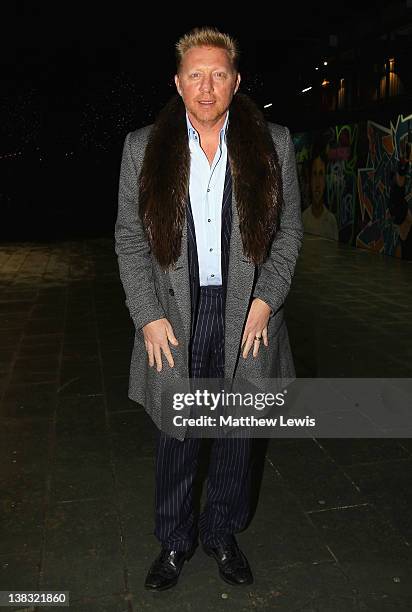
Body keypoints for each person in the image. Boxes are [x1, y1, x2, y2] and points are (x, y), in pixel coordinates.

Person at [114, 26, 303, 591]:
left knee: (237, 432)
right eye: (195, 74)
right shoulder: (143, 147)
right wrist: (147, 315)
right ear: (177, 83)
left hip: (247, 311)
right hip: (176, 311)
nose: (206, 85)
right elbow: (129, 238)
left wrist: (267, 302)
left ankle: (221, 531)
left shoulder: (273, 142)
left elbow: (289, 232)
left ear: (236, 81)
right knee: (179, 433)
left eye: (218, 73)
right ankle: (174, 542)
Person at [302, 148, 338, 240]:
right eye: (314, 174)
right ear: (310, 180)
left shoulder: (331, 221)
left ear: (325, 181)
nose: (317, 183)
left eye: (321, 174)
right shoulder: (303, 220)